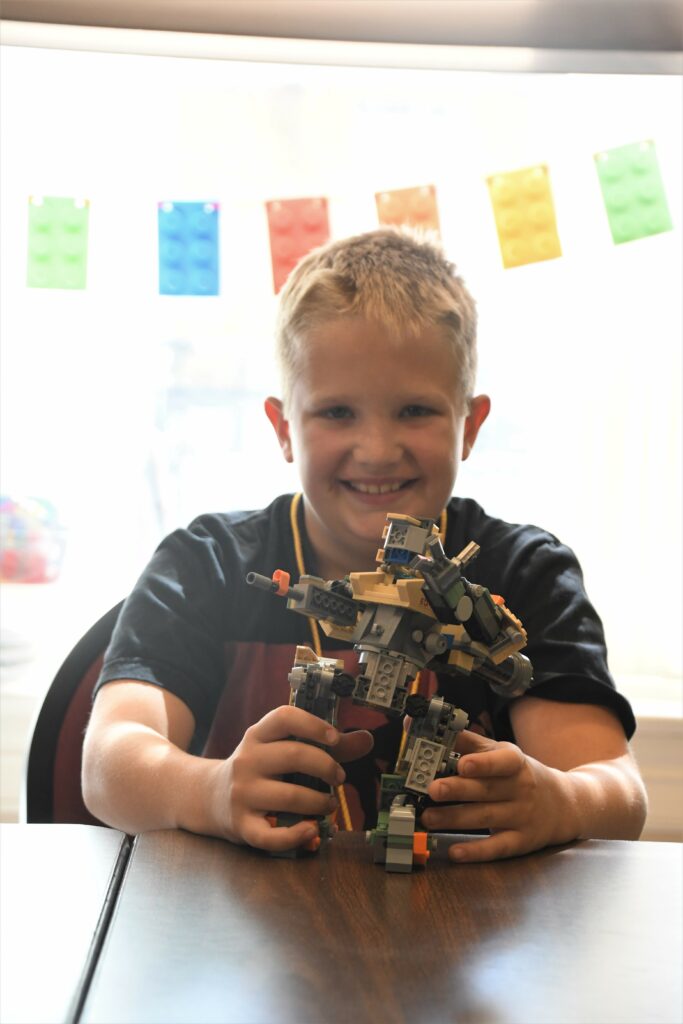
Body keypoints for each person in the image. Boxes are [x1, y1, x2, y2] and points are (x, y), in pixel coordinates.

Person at [82, 228, 647, 862]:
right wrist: (209, 790)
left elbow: (617, 791)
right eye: (337, 413)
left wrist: (562, 801)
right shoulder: (206, 564)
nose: (377, 450)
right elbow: (109, 765)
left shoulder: (523, 574)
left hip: (466, 924)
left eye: (414, 411)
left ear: (471, 424)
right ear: (283, 427)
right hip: (244, 925)